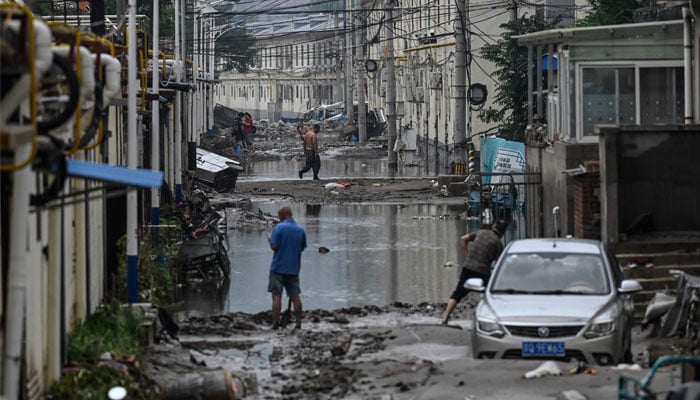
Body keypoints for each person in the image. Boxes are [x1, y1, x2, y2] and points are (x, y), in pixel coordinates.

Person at [441, 220, 508, 325]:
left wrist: (466, 256)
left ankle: (445, 318)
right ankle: (490, 319)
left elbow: (463, 239)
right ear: (503, 233)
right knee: (490, 295)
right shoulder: (498, 244)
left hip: (468, 267)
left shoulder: (481, 232)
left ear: (494, 226)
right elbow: (499, 265)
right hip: (483, 272)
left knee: (457, 294)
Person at [267, 206, 307, 330]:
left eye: (279, 217)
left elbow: (274, 246)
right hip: (293, 268)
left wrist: (270, 241)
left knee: (276, 295)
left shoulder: (279, 228)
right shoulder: (300, 229)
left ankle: (275, 323)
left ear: (283, 216)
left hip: (278, 267)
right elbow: (302, 247)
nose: (279, 219)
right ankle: (299, 323)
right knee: (295, 296)